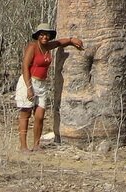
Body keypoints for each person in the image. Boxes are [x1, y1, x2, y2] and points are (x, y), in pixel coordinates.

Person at [15, 21, 84, 150]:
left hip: (42, 84)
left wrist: (70, 40)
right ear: (37, 35)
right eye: (42, 34)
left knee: (40, 116)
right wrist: (29, 88)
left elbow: (58, 43)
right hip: (29, 82)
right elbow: (25, 66)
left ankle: (36, 145)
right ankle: (23, 146)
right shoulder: (32, 47)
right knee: (25, 114)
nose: (44, 37)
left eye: (47, 35)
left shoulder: (47, 47)